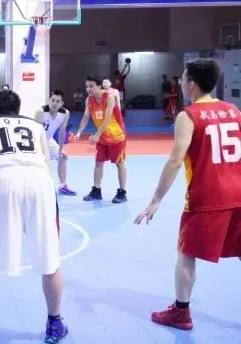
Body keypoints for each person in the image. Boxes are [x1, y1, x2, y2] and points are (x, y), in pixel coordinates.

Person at [135, 59, 241, 330]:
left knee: (186, 253)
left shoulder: (188, 115)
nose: (181, 83)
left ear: (192, 84)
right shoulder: (233, 110)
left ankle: (181, 313)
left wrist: (156, 199)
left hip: (207, 196)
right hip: (238, 192)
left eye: (183, 79)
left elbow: (175, 160)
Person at [0, 90, 67, 344]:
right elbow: (47, 164)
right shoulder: (35, 125)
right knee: (50, 260)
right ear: (18, 109)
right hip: (40, 182)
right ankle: (55, 324)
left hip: (4, 181)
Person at [73, 75, 128, 204]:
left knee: (119, 163)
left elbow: (107, 119)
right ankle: (96, 191)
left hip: (116, 136)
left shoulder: (109, 97)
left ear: (99, 86)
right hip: (102, 137)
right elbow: (85, 117)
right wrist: (79, 132)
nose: (88, 89)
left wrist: (97, 135)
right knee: (98, 163)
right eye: (87, 86)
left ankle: (122, 192)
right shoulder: (89, 100)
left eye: (91, 86)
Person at [34, 90, 77, 196]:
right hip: (37, 142)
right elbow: (33, 132)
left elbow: (62, 132)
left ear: (62, 103)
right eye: (52, 100)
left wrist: (61, 149)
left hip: (49, 141)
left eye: (58, 101)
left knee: (63, 156)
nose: (54, 103)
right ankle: (39, 187)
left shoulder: (65, 113)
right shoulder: (40, 112)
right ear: (49, 100)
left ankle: (62, 186)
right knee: (40, 163)